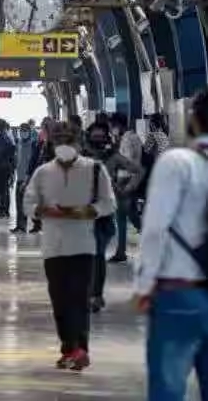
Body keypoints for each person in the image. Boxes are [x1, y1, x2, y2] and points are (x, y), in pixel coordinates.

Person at [134, 90, 208, 400]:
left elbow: (155, 228)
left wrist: (144, 284)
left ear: (193, 119)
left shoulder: (178, 162)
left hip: (182, 292)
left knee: (168, 387)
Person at [24, 122, 116, 371]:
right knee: (60, 301)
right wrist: (42, 210)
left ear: (78, 143)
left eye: (68, 140)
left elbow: (109, 203)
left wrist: (89, 211)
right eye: (59, 141)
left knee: (79, 298)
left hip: (84, 245)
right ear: (53, 144)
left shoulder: (95, 169)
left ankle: (80, 349)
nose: (63, 145)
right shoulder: (43, 172)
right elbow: (28, 203)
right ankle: (68, 348)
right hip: (53, 247)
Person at [84, 122, 143, 312]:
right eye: (95, 137)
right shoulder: (79, 157)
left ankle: (95, 295)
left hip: (103, 213)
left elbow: (139, 171)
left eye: (102, 137)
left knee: (98, 254)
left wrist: (126, 188)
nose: (98, 141)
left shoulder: (113, 157)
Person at [109, 112, 143, 262]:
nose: (111, 130)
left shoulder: (128, 139)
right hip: (128, 180)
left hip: (126, 180)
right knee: (125, 216)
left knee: (127, 216)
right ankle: (120, 251)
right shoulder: (131, 137)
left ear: (118, 125)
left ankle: (121, 251)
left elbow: (127, 161)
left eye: (112, 126)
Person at [11, 123, 37, 233]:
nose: (23, 133)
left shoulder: (33, 145)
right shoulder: (19, 143)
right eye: (22, 130)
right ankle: (20, 226)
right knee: (19, 202)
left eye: (25, 130)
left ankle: (37, 224)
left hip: (30, 179)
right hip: (20, 177)